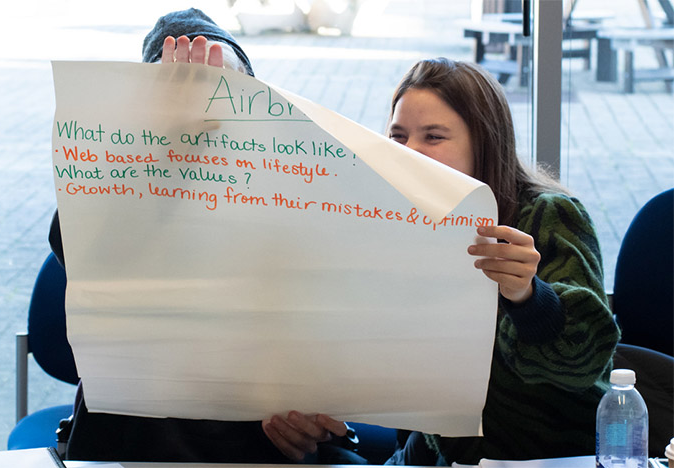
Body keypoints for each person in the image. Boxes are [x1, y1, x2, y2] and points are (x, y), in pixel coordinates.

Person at [49, 8, 359, 463]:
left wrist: (318, 426)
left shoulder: (298, 195)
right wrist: (158, 146)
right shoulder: (121, 184)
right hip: (132, 439)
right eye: (177, 90)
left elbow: (336, 345)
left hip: (260, 440)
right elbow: (74, 244)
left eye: (224, 89)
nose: (205, 108)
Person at [382, 58, 621, 465]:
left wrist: (528, 296)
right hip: (440, 443)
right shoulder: (398, 220)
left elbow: (585, 360)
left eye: (434, 136)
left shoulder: (550, 214)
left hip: (536, 452)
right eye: (398, 136)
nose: (410, 152)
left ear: (484, 141)